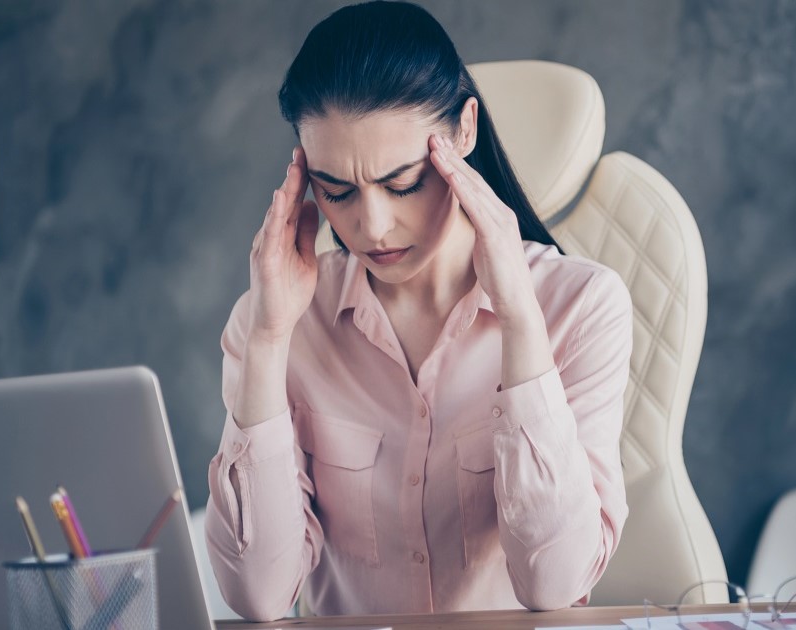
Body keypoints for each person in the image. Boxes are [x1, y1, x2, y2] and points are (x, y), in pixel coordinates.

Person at [205, 0, 631, 621]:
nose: (371, 227)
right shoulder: (275, 321)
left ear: (464, 133)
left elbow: (555, 584)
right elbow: (257, 597)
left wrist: (518, 318)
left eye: (403, 184)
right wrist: (269, 340)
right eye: (337, 191)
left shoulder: (581, 305)